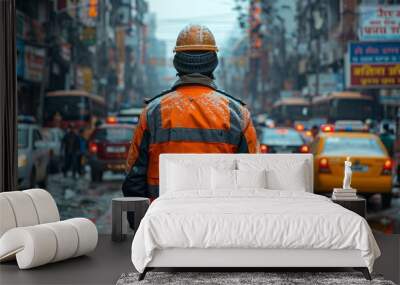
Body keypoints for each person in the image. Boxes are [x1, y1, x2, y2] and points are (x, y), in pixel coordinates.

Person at [122, 24, 258, 205]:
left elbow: (134, 177)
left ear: (177, 63)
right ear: (214, 63)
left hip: (163, 219)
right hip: (220, 221)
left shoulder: (153, 112)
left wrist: (142, 223)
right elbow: (251, 176)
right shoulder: (236, 113)